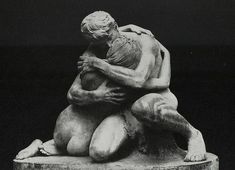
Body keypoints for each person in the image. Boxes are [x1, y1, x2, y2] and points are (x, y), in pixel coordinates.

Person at [16, 11, 206, 162]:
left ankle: (193, 134)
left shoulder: (145, 41)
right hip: (119, 110)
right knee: (98, 152)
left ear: (115, 26)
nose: (107, 45)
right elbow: (74, 91)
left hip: (152, 97)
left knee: (143, 107)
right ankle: (43, 146)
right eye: (99, 43)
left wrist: (100, 64)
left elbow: (139, 80)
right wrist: (98, 95)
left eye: (108, 38)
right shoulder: (97, 46)